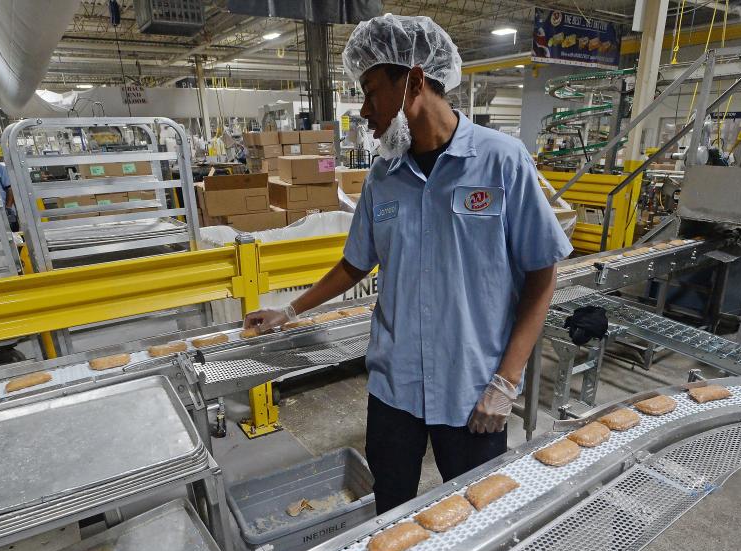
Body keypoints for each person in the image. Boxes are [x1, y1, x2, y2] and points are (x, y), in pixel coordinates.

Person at [243, 14, 572, 514]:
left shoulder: (502, 162)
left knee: (477, 516)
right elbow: (355, 263)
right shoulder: (384, 176)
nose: (364, 110)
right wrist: (289, 311)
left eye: (372, 91)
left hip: (473, 391)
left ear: (415, 81)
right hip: (396, 387)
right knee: (391, 507)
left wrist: (506, 381)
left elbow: (541, 276)